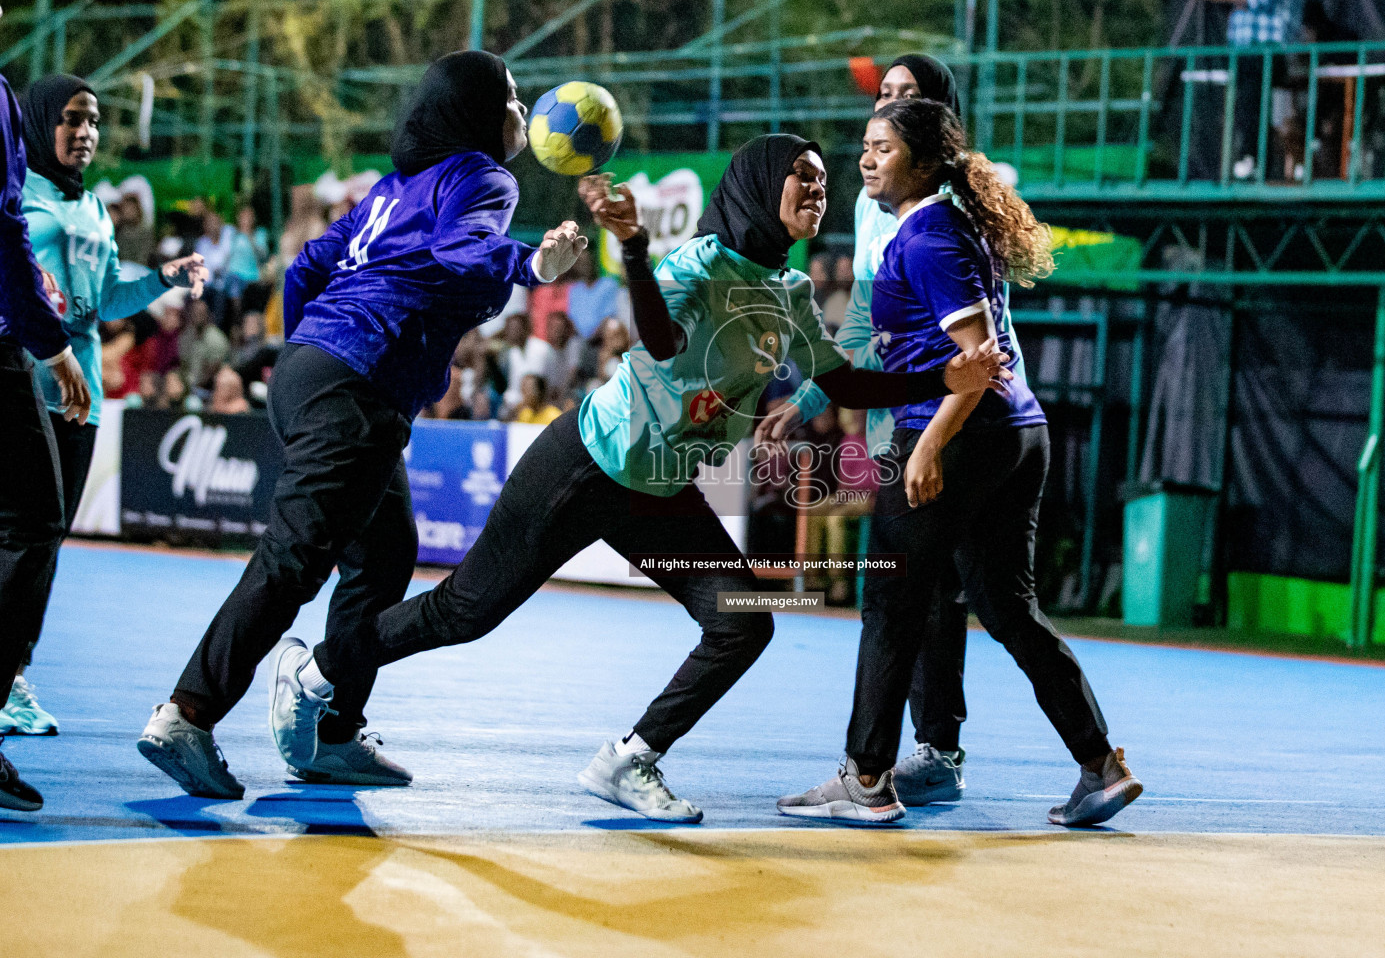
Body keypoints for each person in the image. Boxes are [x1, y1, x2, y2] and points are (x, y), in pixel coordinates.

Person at [264, 135, 1010, 824]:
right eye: (802, 178)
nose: (817, 190)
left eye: (823, 182)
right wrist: (635, 250)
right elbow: (660, 339)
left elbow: (843, 380)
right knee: (465, 611)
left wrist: (947, 374)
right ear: (757, 184)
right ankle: (316, 668)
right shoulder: (699, 262)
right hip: (590, 461)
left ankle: (630, 759)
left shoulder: (787, 292)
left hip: (659, 487)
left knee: (743, 622)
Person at [137, 49, 587, 799]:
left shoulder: (393, 189)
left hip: (312, 369)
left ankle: (333, 731)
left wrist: (311, 344)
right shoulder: (483, 176)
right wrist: (531, 266)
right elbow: (461, 250)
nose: (523, 108)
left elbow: (308, 265)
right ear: (475, 113)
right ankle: (189, 712)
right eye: (511, 95)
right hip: (357, 382)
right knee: (297, 557)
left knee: (382, 553)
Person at [778, 99, 1142, 827]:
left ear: (921, 158)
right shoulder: (940, 229)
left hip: (961, 432)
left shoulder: (930, 235)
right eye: (865, 145)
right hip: (1014, 435)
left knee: (889, 600)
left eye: (882, 146)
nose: (867, 158)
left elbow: (980, 361)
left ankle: (869, 779)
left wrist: (933, 444)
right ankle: (1100, 766)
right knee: (1008, 607)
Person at [765, 53, 991, 806]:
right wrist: (811, 401)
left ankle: (902, 762)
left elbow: (977, 340)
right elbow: (866, 321)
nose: (885, 110)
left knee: (926, 592)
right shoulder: (874, 208)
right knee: (946, 593)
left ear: (931, 132)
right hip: (903, 412)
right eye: (882, 96)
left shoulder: (947, 212)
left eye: (904, 99)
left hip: (949, 415)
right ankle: (931, 756)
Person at [2, 74, 206, 737]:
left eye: (92, 121)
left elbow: (106, 300)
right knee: (23, 537)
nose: (84, 132)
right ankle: (6, 680)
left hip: (79, 397)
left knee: (42, 540)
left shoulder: (91, 208)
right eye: (70, 120)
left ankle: (13, 674)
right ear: (37, 124)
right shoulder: (18, 197)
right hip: (22, 386)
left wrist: (159, 281)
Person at [0, 24, 91, 812]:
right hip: (12, 351)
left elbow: (104, 292)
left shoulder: (89, 205)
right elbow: (4, 231)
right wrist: (50, 343)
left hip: (43, 360)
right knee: (34, 523)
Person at [1196, 0, 1304, 179]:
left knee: (1253, 99)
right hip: (1243, 48)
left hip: (1269, 48)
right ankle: (1250, 157)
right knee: (1245, 103)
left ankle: (1254, 158)